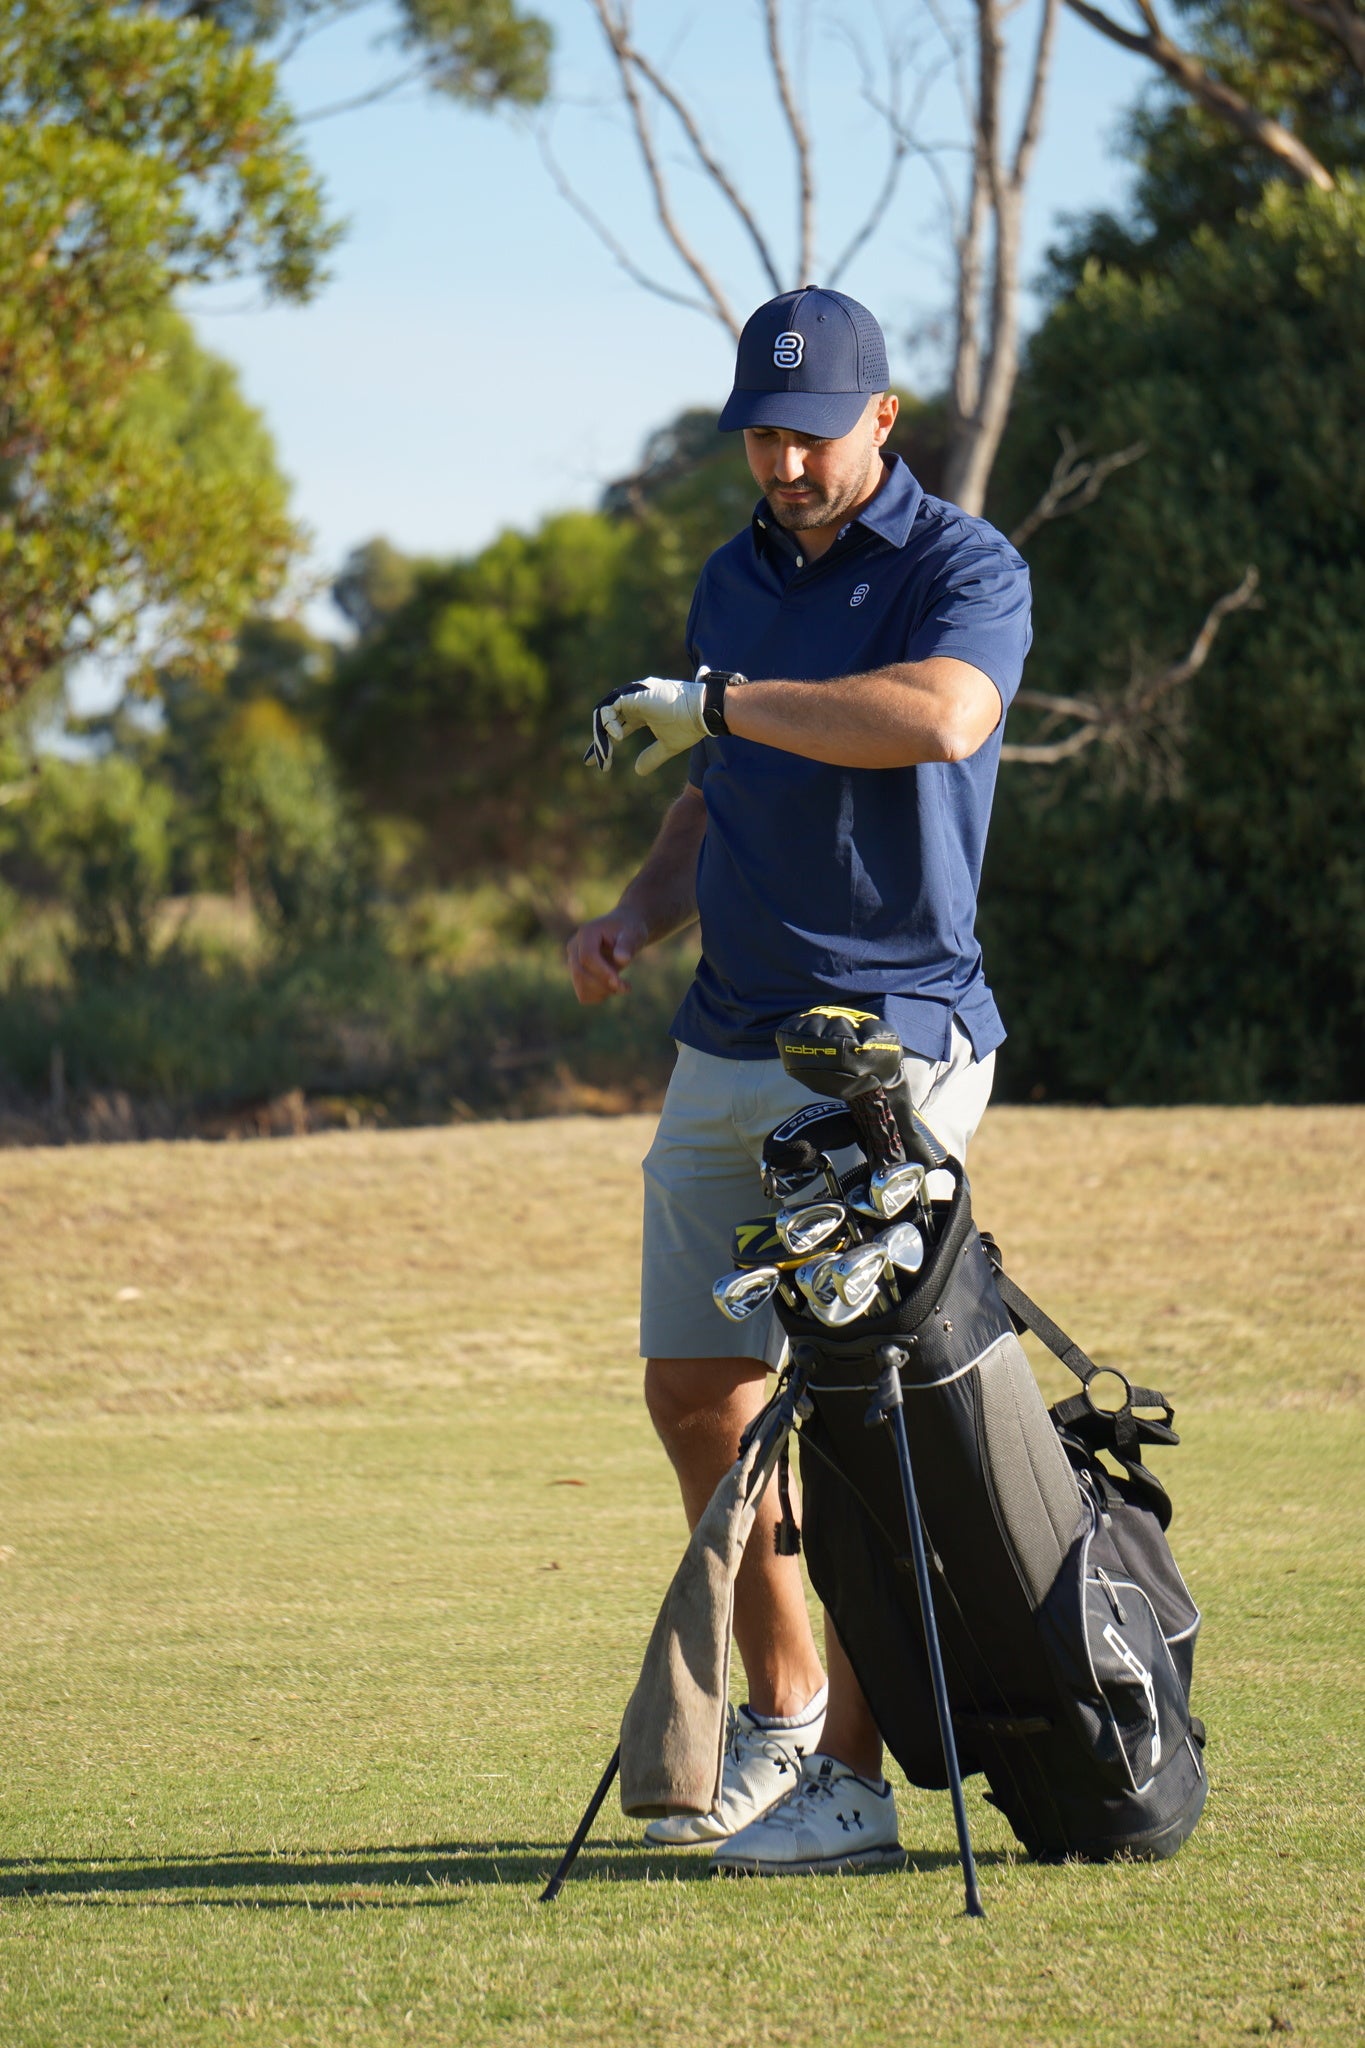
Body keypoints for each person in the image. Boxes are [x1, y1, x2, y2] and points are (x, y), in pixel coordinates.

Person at [566, 287, 1031, 1877]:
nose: (779, 460)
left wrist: (721, 701)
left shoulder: (961, 569)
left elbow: (939, 715)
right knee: (696, 1383)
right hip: (726, 1028)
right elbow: (717, 791)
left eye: (807, 432)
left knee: (854, 1413)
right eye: (757, 434)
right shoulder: (734, 576)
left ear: (880, 420)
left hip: (893, 1036)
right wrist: (637, 912)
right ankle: (784, 1699)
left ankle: (857, 1781)